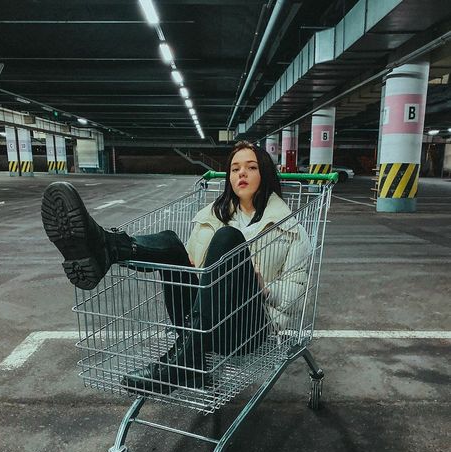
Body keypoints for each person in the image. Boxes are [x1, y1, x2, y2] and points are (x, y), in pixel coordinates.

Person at [41, 141, 310, 394]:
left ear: (265, 173)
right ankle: (109, 247)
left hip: (245, 329)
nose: (242, 173)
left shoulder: (290, 229)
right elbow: (189, 266)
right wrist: (189, 263)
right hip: (199, 321)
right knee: (170, 242)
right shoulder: (211, 217)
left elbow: (297, 295)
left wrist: (264, 287)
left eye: (251, 167)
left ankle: (188, 358)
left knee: (229, 238)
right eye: (235, 168)